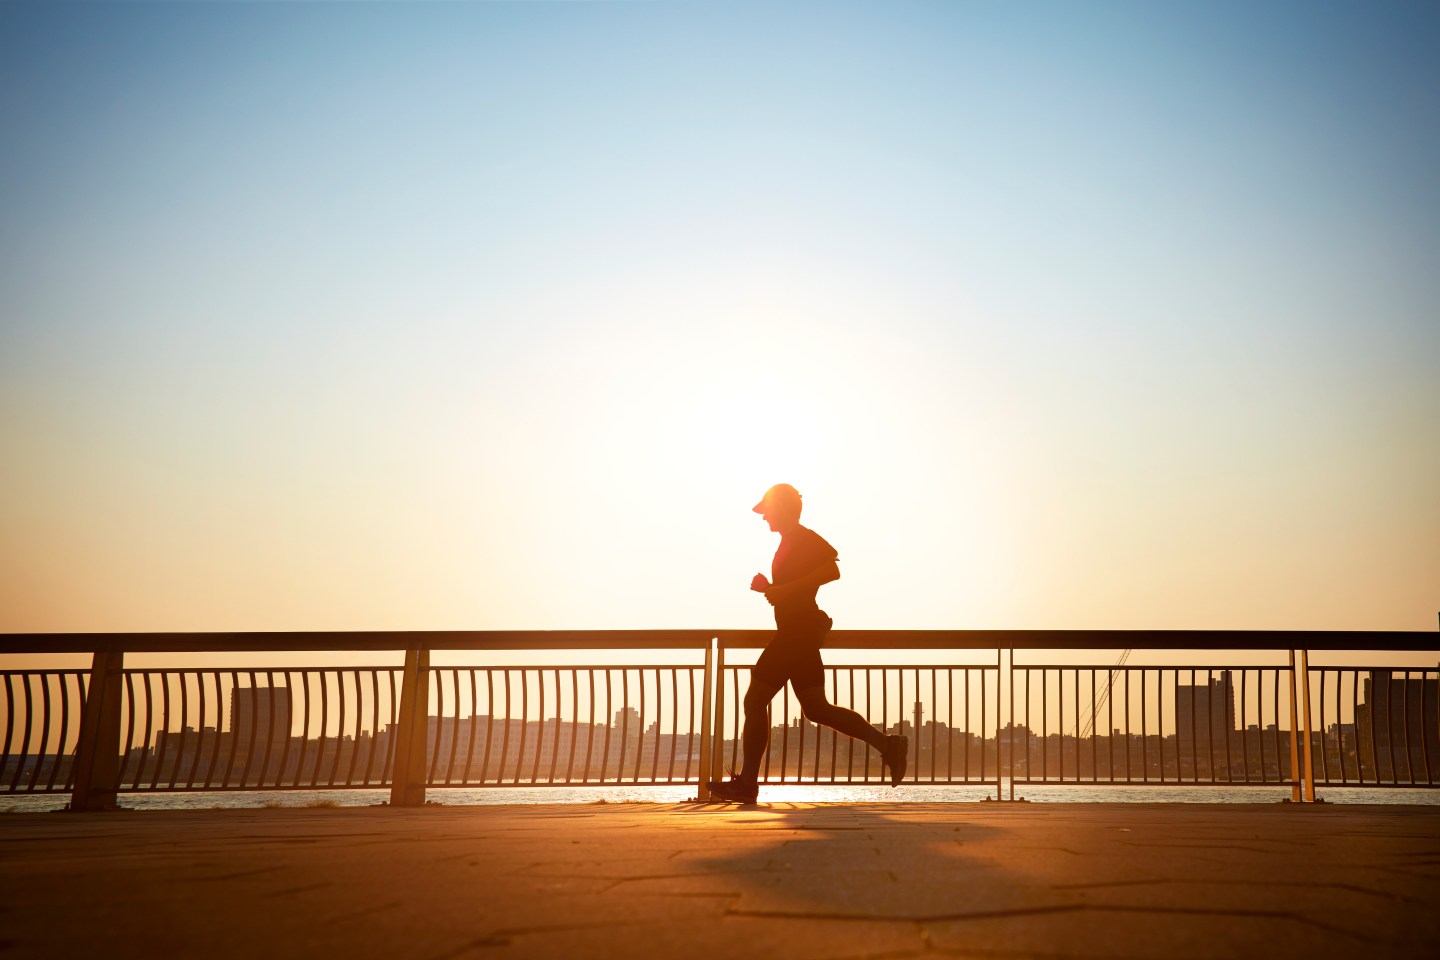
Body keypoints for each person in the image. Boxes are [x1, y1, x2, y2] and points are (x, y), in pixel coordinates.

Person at [708, 483, 907, 803]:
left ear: (784, 509)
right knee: (817, 709)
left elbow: (831, 570)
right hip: (798, 633)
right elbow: (794, 588)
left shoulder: (802, 537)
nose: (764, 518)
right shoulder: (789, 542)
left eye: (767, 511)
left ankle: (747, 783)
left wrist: (782, 591)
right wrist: (770, 588)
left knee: (754, 701)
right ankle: (888, 745)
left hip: (795, 634)